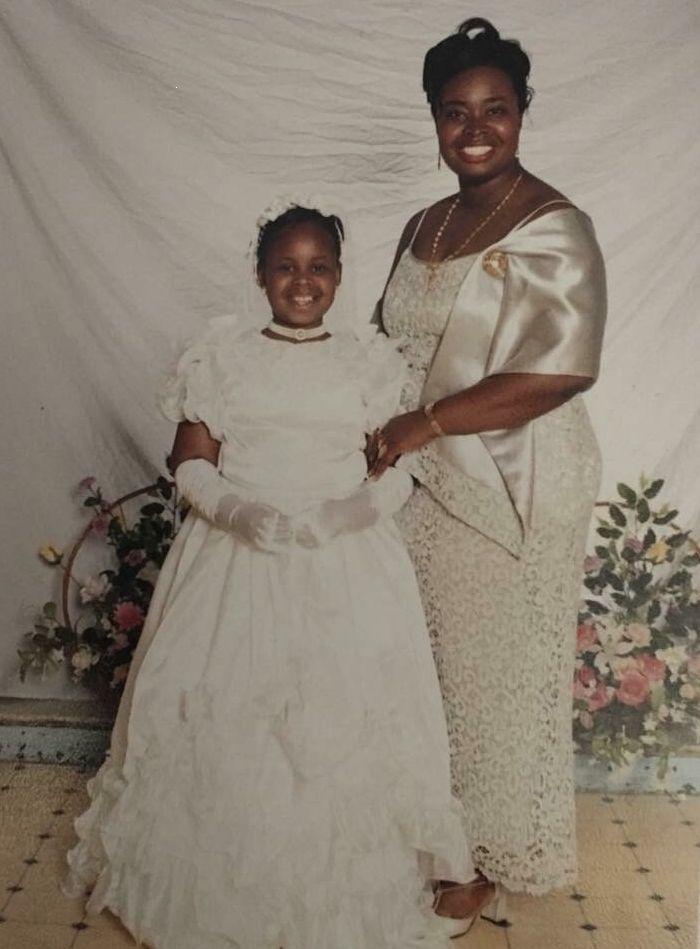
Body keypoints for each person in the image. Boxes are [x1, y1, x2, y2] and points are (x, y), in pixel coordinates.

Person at [64, 201, 486, 948]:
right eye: (286, 266)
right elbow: (189, 459)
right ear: (260, 274)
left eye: (318, 266)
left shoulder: (368, 362)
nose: (302, 281)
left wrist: (347, 514)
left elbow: (399, 469)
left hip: (343, 560)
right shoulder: (221, 356)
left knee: (345, 712)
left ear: (339, 276)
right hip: (236, 556)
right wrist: (237, 511)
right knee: (231, 710)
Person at [370, 17, 607, 910]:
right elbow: (384, 345)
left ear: (523, 113)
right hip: (420, 480)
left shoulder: (555, 227)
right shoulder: (424, 221)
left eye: (494, 109)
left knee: (490, 677)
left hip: (516, 481)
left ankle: (484, 853)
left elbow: (561, 369)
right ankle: (434, 836)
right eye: (453, 111)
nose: (474, 128)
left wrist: (422, 423)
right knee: (422, 669)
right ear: (433, 120)